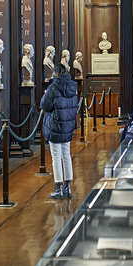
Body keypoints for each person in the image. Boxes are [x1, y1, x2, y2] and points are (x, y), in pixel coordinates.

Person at [40, 62, 80, 200]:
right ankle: (67, 187)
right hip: (68, 126)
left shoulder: (53, 87)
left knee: (56, 157)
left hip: (56, 126)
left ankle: (58, 189)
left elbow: (44, 105)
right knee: (67, 155)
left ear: (56, 73)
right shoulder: (73, 87)